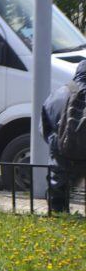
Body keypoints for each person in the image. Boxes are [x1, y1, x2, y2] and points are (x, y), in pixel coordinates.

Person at [41, 60, 86, 213]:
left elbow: (44, 127)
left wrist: (58, 142)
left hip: (62, 151)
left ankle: (58, 214)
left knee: (58, 184)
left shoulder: (59, 93)